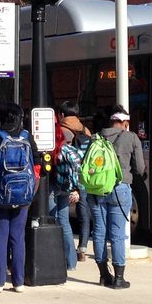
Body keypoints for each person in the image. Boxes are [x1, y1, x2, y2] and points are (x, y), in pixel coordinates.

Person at [92, 105, 144, 289]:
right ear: (124, 122)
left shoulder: (96, 137)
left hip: (97, 189)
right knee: (117, 234)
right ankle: (119, 278)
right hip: (120, 189)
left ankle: (103, 275)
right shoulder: (131, 138)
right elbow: (140, 168)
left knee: (99, 232)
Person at [0, 102, 35, 293]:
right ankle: (18, 281)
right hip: (23, 195)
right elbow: (37, 160)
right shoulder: (26, 138)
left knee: (0, 237)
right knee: (18, 238)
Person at [57, 100, 92, 263]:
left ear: (62, 115)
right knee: (83, 211)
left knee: (61, 215)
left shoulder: (62, 131)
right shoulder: (86, 131)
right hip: (84, 177)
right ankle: (82, 249)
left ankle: (65, 251)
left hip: (66, 178)